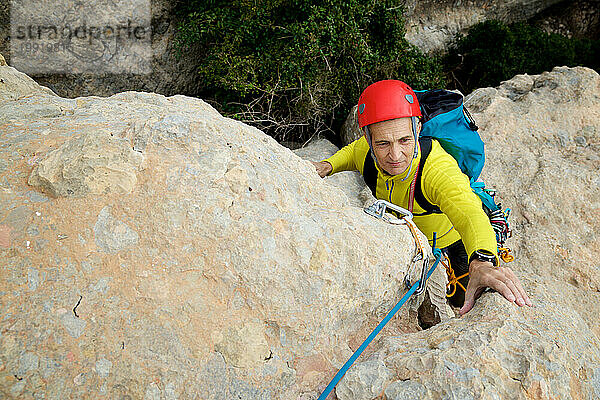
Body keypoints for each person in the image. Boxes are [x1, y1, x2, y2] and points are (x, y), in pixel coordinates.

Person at [312, 80, 532, 315]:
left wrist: (482, 261)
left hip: (455, 238)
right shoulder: (366, 151)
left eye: (405, 140)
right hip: (416, 238)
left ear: (417, 129)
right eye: (383, 143)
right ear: (368, 139)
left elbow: (470, 214)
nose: (395, 155)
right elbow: (351, 153)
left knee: (463, 297)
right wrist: (327, 166)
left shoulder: (436, 169)